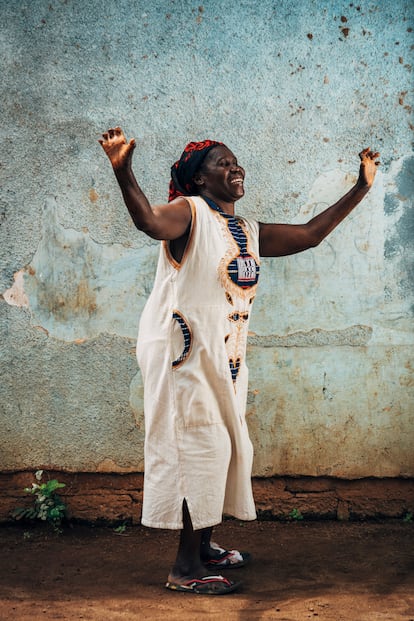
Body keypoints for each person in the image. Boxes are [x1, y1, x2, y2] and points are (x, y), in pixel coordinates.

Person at [99, 127, 379, 595]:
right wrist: (123, 169)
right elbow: (148, 220)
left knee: (223, 451)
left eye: (236, 162)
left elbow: (310, 234)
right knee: (198, 450)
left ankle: (204, 547)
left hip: (225, 356)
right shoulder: (188, 213)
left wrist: (361, 188)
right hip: (186, 357)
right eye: (221, 164)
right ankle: (185, 569)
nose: (235, 168)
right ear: (199, 181)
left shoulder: (245, 230)